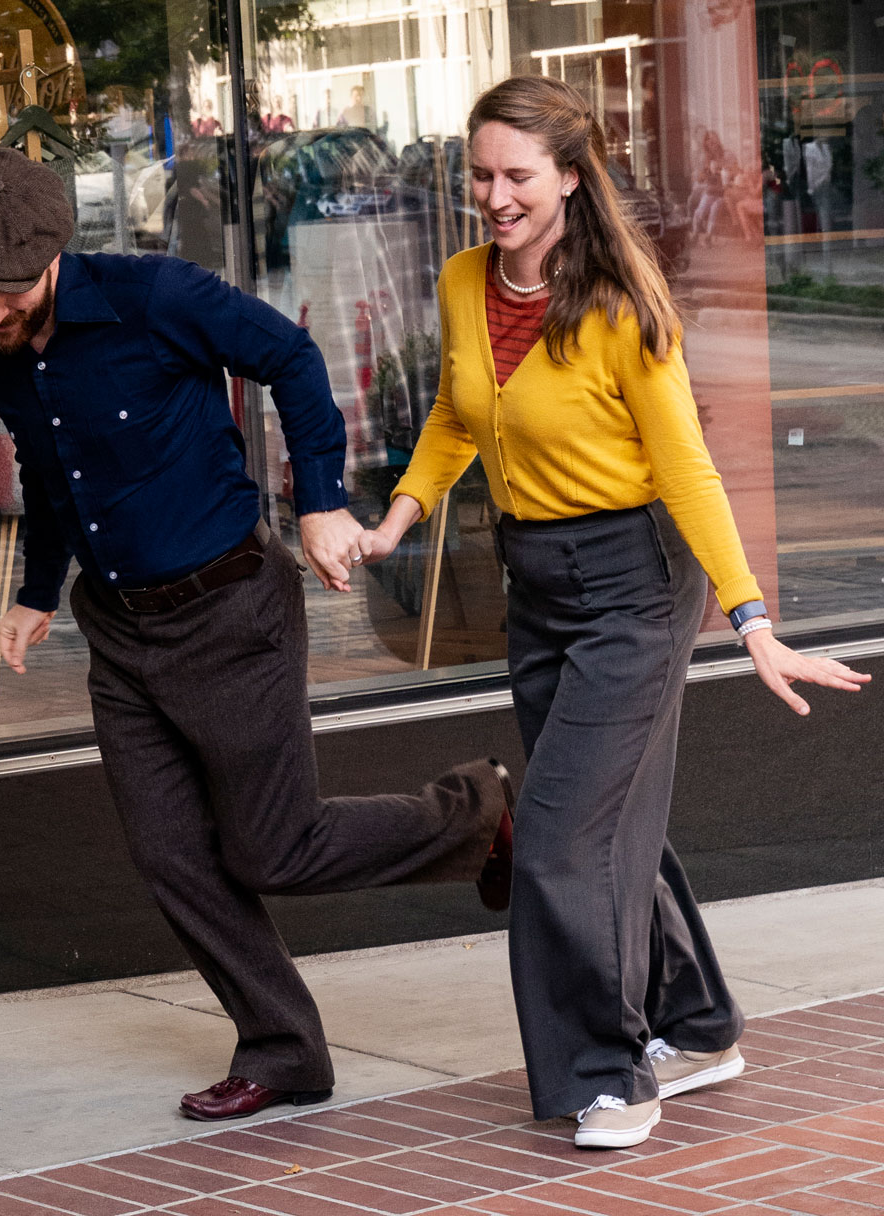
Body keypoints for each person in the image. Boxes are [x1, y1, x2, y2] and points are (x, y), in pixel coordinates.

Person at [0, 146, 513, 1122]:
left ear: (53, 254)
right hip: (118, 628)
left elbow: (290, 356)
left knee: (274, 848)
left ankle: (479, 812)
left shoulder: (156, 297)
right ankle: (283, 1049)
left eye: (6, 289)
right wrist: (35, 588)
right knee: (170, 855)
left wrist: (319, 502)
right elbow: (47, 463)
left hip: (229, 607)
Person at [356, 76, 870, 1151]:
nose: (493, 196)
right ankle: (698, 1023)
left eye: (516, 177)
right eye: (481, 174)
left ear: (570, 179)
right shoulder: (463, 283)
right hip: (537, 577)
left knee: (552, 835)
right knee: (608, 821)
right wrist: (399, 517)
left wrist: (752, 620)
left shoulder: (619, 310)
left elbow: (688, 470)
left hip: (636, 579)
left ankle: (607, 1072)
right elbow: (459, 414)